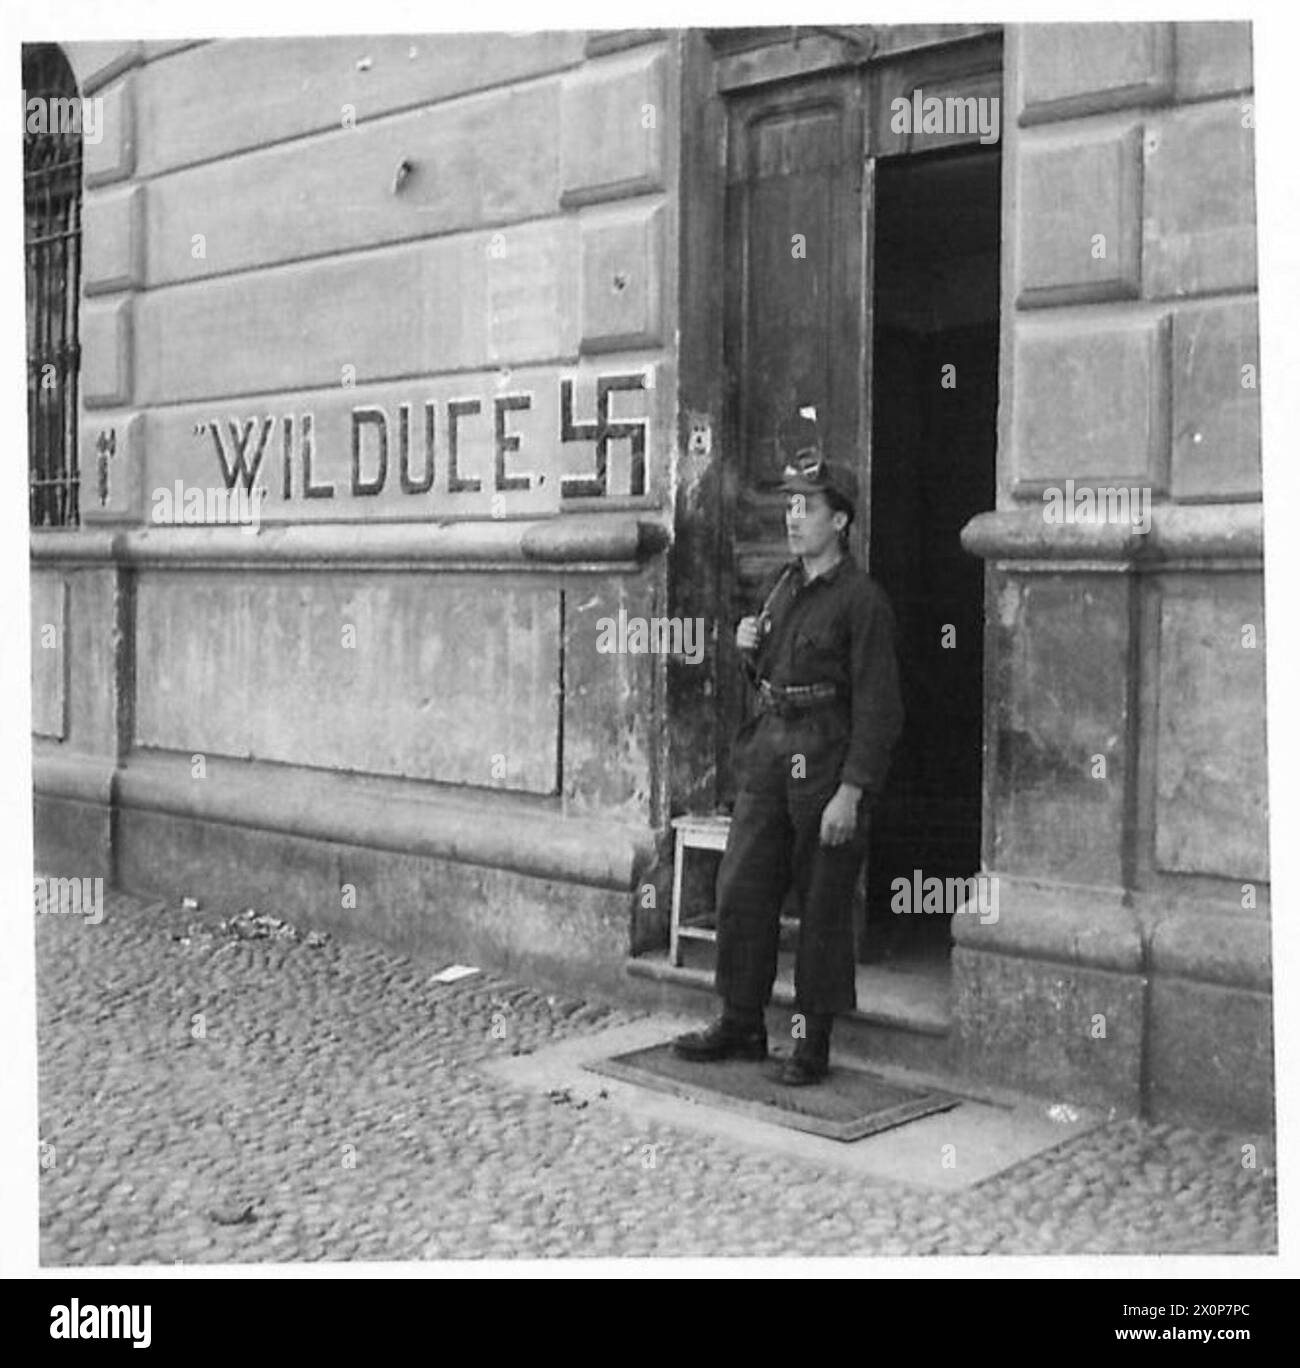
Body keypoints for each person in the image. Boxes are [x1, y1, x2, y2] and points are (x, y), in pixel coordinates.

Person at [673, 449, 904, 1085]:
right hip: (771, 754)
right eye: (791, 505)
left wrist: (851, 793)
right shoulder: (783, 586)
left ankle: (810, 1046)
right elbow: (774, 675)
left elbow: (880, 709)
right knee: (742, 891)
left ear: (842, 522)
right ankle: (742, 1023)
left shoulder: (863, 603)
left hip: (828, 765)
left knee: (824, 910)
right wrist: (750, 648)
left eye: (809, 508)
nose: (793, 518)